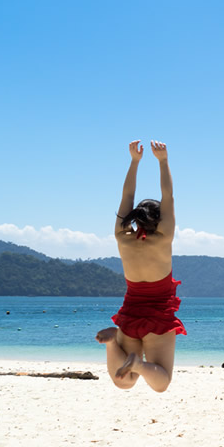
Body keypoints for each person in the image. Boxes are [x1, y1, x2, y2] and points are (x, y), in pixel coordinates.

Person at [96, 140, 185, 393]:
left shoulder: (121, 237)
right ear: (160, 220)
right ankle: (139, 364)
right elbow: (168, 195)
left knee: (122, 382)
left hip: (131, 312)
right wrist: (163, 161)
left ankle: (113, 343)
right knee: (162, 382)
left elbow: (127, 196)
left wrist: (134, 162)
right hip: (158, 313)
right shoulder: (163, 238)